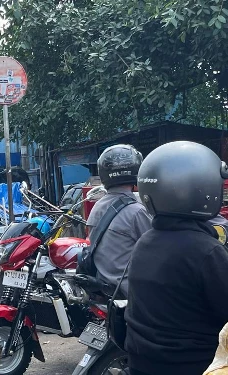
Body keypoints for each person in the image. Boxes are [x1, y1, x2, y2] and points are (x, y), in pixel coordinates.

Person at [125, 141, 228, 375]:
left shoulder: (147, 240)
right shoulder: (205, 251)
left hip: (143, 363)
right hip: (193, 365)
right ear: (201, 189)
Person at [85, 144, 152, 297]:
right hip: (129, 294)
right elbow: (158, 252)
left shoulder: (97, 207)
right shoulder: (137, 212)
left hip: (104, 288)